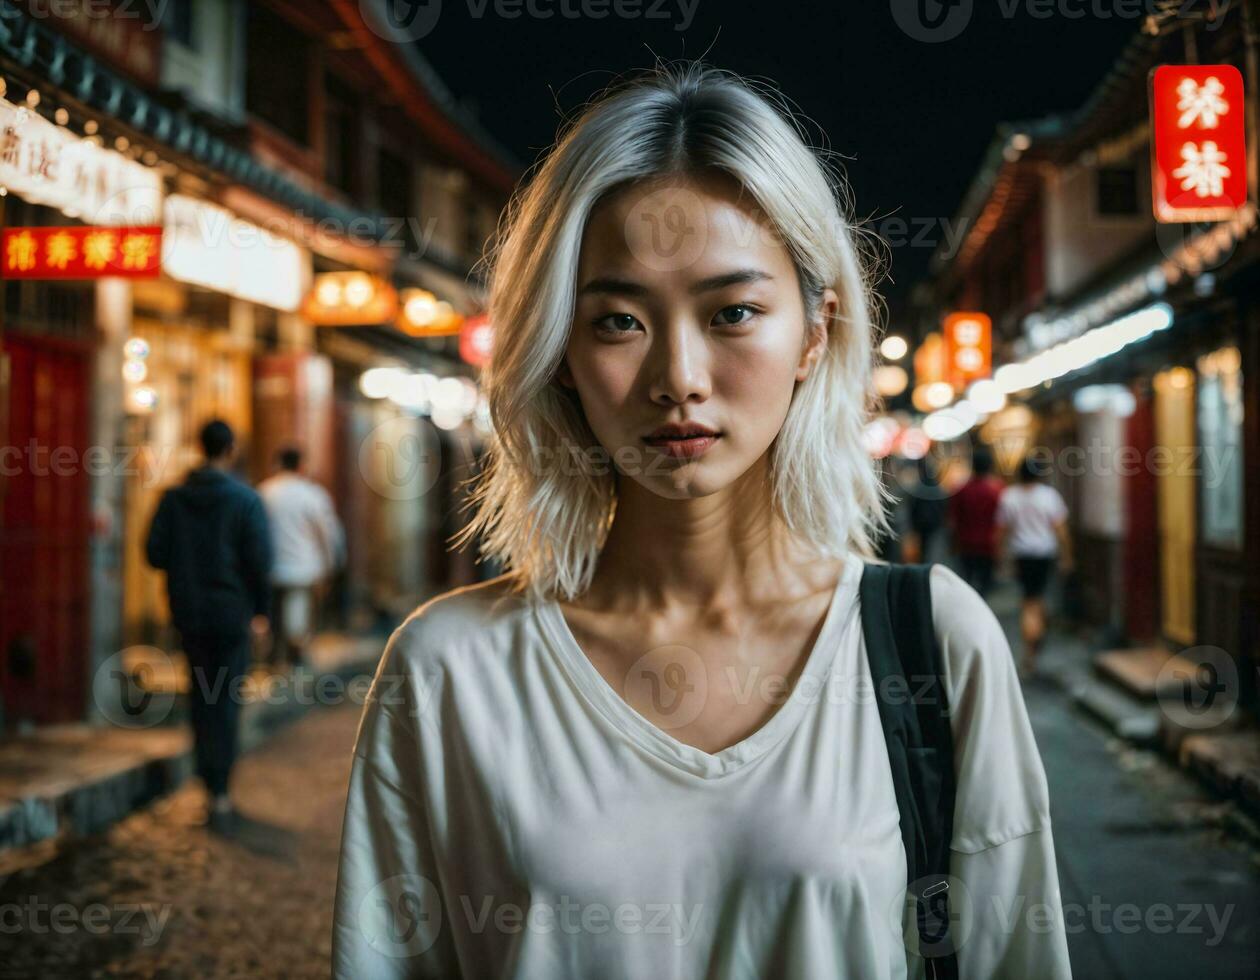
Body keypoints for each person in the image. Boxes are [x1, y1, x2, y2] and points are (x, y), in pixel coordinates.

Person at [332, 65, 1071, 979]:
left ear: (814, 333)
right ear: (558, 349)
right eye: (616, 322)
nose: (678, 376)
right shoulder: (453, 668)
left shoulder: (931, 641)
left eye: (732, 312)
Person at [145, 419, 271, 833]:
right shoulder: (245, 500)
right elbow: (259, 562)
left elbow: (154, 552)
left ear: (200, 447)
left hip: (190, 614)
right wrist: (261, 612)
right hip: (231, 615)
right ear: (230, 449)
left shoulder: (173, 498)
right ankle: (220, 791)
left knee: (200, 697)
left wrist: (186, 565)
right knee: (226, 699)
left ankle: (206, 782)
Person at [258, 445, 345, 670]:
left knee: (274, 616)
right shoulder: (312, 494)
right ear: (301, 466)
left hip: (270, 567)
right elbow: (327, 534)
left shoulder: (264, 492)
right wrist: (332, 564)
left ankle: (276, 658)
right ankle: (294, 657)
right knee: (297, 618)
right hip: (303, 568)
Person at [996, 454, 1073, 675]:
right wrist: (1067, 556)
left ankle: (1031, 646)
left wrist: (1002, 557)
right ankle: (1033, 646)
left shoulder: (1009, 496)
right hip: (1044, 554)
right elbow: (1061, 529)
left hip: (1022, 555)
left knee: (1030, 600)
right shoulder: (1049, 496)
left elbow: (1002, 531)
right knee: (1035, 599)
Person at [948, 445, 1005, 597]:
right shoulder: (997, 490)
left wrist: (953, 544)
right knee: (986, 585)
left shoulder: (961, 490)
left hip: (966, 543)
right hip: (989, 544)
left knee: (968, 583)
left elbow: (953, 519)